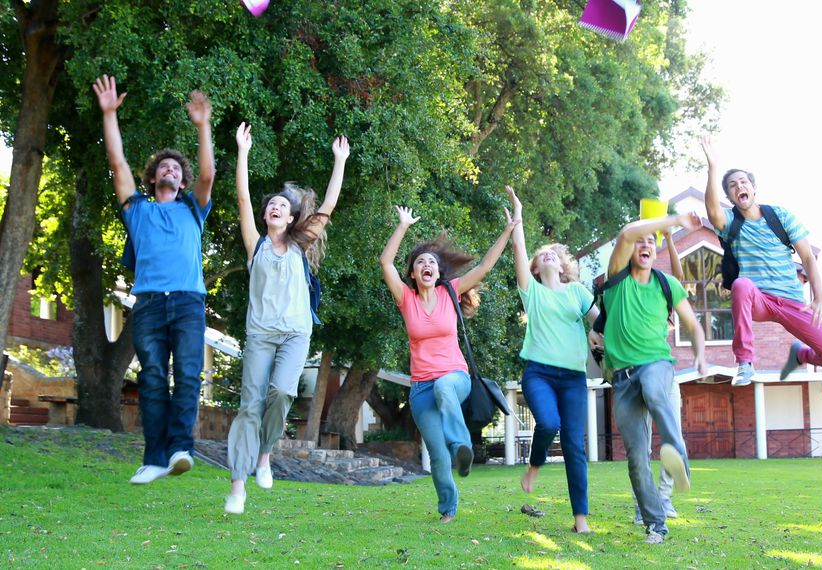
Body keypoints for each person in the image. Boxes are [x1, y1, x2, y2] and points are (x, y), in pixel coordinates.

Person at [94, 75, 216, 485]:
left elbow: (208, 174)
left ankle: (180, 449)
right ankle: (153, 457)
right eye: (163, 166)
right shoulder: (138, 210)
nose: (170, 170)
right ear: (152, 178)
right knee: (150, 377)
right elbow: (117, 163)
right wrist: (109, 114)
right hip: (147, 303)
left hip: (187, 303)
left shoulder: (193, 210)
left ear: (181, 181)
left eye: (176, 169)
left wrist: (202, 126)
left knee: (186, 375)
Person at [224, 123, 350, 514]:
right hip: (260, 334)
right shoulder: (256, 244)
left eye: (282, 204)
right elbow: (243, 199)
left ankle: (265, 454)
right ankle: (237, 486)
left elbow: (327, 206)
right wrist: (243, 152)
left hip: (295, 334)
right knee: (249, 406)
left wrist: (340, 161)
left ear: (293, 215)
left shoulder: (300, 244)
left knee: (282, 393)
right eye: (270, 205)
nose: (274, 206)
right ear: (266, 215)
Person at [379, 204, 518, 522]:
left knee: (444, 387)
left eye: (432, 262)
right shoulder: (406, 300)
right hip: (420, 389)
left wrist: (508, 231)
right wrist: (402, 226)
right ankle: (448, 508)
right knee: (437, 457)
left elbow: (483, 267)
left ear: (439, 273)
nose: (426, 265)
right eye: (420, 263)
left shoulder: (450, 293)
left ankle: (461, 445)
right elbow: (385, 261)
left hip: (455, 378)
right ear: (413, 273)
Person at [589, 212, 709, 544]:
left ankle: (677, 455)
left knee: (657, 393)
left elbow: (694, 325)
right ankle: (655, 523)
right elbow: (627, 231)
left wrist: (699, 352)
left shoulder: (665, 284)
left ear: (655, 252)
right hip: (622, 379)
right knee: (636, 458)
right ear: (628, 250)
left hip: (656, 363)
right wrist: (673, 219)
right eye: (640, 241)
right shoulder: (614, 280)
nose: (644, 244)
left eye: (650, 242)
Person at [700, 134, 822, 386]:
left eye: (743, 182)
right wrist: (713, 167)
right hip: (760, 300)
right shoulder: (730, 222)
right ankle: (745, 362)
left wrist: (819, 298)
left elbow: (808, 257)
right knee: (742, 284)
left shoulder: (780, 216)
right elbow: (712, 211)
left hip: (792, 302)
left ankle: (800, 354)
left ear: (753, 188)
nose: (739, 187)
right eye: (733, 186)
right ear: (730, 197)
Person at [506, 188, 599, 534]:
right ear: (535, 266)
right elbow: (518, 247)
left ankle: (580, 520)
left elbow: (598, 323)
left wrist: (605, 339)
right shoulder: (531, 292)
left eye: (552, 254)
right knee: (547, 422)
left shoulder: (577, 292)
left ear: (562, 266)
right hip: (539, 374)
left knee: (575, 446)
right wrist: (518, 213)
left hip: (574, 378)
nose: (547, 256)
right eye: (541, 254)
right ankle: (534, 465)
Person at [630, 228, 686, 525]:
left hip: (665, 374)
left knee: (671, 434)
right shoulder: (629, 288)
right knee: (641, 443)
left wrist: (672, 240)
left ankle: (664, 498)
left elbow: (678, 278)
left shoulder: (663, 292)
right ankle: (643, 505)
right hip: (634, 376)